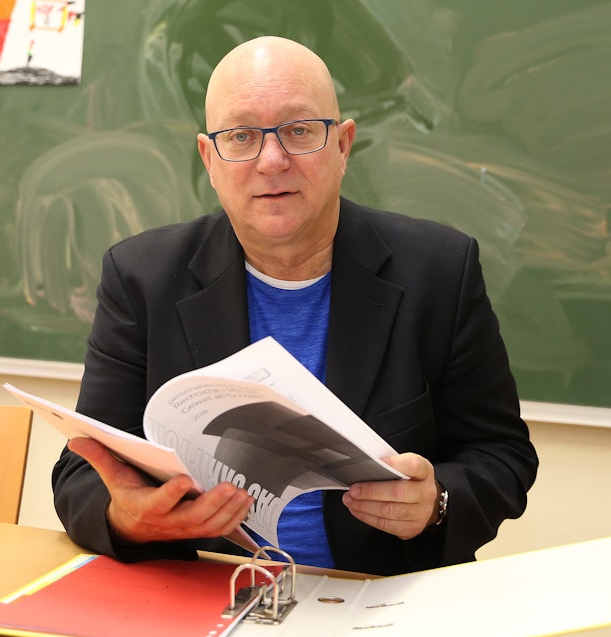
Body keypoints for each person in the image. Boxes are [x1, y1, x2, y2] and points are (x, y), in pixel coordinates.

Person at [52, 35, 537, 576]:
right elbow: (81, 474)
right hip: (206, 592)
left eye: (299, 130)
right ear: (209, 159)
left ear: (343, 145)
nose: (272, 160)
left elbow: (502, 456)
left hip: (379, 593)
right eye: (241, 136)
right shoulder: (141, 278)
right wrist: (125, 518)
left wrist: (437, 502)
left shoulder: (439, 271)